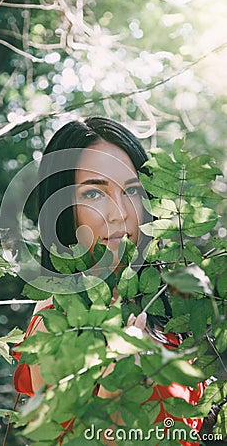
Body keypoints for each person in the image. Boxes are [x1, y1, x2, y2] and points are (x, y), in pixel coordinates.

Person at [13, 117, 204, 446]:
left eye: (131, 190)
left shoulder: (162, 297)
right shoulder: (54, 322)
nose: (119, 213)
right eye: (94, 193)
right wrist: (117, 375)